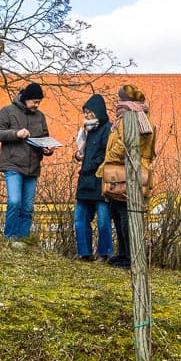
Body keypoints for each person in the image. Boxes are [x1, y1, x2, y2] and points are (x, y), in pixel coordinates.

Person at [97, 85, 155, 268]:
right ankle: (123, 253)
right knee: (117, 212)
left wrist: (109, 161)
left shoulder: (133, 118)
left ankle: (130, 256)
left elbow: (124, 145)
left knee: (125, 214)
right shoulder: (129, 117)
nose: (117, 102)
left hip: (128, 170)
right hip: (124, 170)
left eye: (119, 98)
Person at [0, 82, 53, 239]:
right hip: (13, 165)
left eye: (39, 102)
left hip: (32, 169)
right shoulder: (8, 111)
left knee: (27, 208)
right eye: (34, 101)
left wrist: (47, 149)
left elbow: (45, 139)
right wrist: (15, 134)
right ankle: (10, 238)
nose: (36, 105)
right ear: (26, 99)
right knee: (14, 202)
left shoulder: (40, 117)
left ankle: (23, 240)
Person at [73, 94, 112, 261]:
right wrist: (79, 155)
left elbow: (105, 154)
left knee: (103, 220)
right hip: (85, 182)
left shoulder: (107, 129)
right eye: (85, 112)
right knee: (80, 218)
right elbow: (84, 152)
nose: (87, 115)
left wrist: (89, 165)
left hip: (99, 180)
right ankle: (84, 252)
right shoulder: (86, 131)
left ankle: (104, 254)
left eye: (89, 112)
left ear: (97, 112)